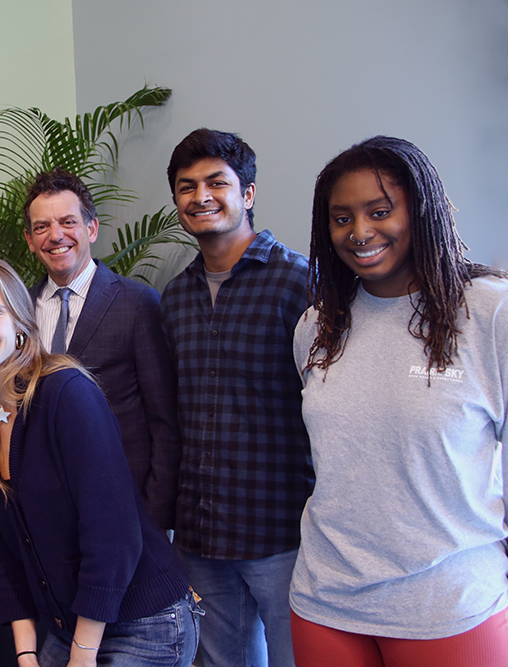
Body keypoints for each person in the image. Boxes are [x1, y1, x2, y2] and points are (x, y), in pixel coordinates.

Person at [290, 136, 508, 667]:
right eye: (342, 218)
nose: (360, 232)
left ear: (422, 210)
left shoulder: (489, 315)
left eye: (380, 211)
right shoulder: (317, 326)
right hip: (325, 601)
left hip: (448, 604)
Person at [0, 258, 199, 667]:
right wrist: (25, 654)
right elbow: (7, 552)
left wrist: (83, 653)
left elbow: (113, 536)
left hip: (143, 622)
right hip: (68, 627)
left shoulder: (65, 393)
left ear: (21, 323)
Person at [157, 128, 314, 667]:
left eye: (216, 182)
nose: (200, 196)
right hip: (201, 533)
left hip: (280, 529)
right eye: (186, 186)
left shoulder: (300, 282)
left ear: (247, 193)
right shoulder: (174, 297)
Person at [23, 170, 178, 522]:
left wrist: (154, 519)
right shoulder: (18, 311)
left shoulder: (139, 304)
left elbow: (165, 422)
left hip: (125, 506)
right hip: (46, 509)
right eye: (42, 227)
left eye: (67, 222)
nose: (56, 235)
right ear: (30, 240)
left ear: (91, 229)